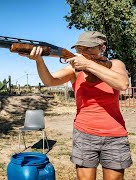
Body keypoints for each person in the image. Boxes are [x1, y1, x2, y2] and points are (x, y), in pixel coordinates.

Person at [19, 31, 133, 180]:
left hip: (115, 135)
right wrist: (39, 60)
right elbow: (49, 81)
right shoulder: (75, 70)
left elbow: (122, 84)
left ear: (102, 48)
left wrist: (88, 64)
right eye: (80, 48)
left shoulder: (116, 64)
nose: (82, 52)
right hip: (84, 134)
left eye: (88, 48)